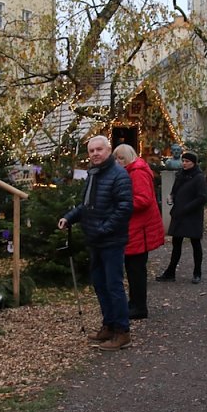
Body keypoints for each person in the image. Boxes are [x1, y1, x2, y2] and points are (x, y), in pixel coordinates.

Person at [58, 135, 134, 351]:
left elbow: (124, 208)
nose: (95, 154)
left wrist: (103, 228)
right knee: (100, 284)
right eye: (91, 151)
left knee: (114, 286)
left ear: (108, 150)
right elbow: (87, 205)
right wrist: (69, 217)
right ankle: (109, 325)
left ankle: (122, 332)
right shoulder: (93, 174)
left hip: (111, 241)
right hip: (95, 240)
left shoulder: (119, 175)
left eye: (99, 149)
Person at [113, 143, 165, 320]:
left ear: (129, 157)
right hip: (135, 228)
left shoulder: (137, 172)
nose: (118, 161)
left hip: (140, 229)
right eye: (116, 158)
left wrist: (121, 204)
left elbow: (143, 199)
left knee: (136, 270)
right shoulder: (130, 171)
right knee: (132, 268)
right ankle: (134, 302)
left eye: (121, 158)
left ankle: (139, 306)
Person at [156, 151, 207, 283]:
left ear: (193, 163)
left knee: (195, 243)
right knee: (176, 244)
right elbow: (175, 190)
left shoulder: (199, 177)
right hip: (179, 214)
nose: (184, 163)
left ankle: (197, 273)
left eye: (187, 161)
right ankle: (170, 272)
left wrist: (187, 208)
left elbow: (202, 197)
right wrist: (171, 197)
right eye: (183, 161)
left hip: (192, 215)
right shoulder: (180, 174)